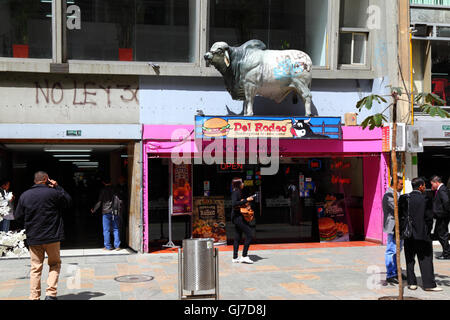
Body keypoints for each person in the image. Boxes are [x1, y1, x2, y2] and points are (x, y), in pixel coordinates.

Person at [14, 171, 72, 300]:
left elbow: (17, 216)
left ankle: (34, 296)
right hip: (52, 236)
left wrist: (28, 224)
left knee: (35, 268)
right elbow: (68, 202)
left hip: (34, 237)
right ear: (46, 179)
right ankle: (51, 294)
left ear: (35, 181)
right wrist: (57, 186)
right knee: (55, 264)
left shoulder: (25, 195)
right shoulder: (54, 193)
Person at [399, 177, 442, 291]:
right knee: (426, 259)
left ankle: (411, 283)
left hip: (408, 234)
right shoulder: (426, 199)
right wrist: (427, 231)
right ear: (421, 186)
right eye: (424, 185)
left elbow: (400, 216)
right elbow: (429, 218)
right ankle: (428, 284)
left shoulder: (404, 198)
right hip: (422, 235)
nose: (424, 187)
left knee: (410, 259)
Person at [382, 175, 404, 284]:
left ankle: (396, 271)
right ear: (395, 183)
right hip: (392, 226)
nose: (402, 186)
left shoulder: (397, 194)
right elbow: (397, 208)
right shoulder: (389, 195)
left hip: (399, 226)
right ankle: (390, 274)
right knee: (391, 250)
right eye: (401, 184)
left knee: (398, 250)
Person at [91, 177, 122, 251]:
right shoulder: (115, 189)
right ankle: (117, 246)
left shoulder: (103, 190)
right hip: (115, 211)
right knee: (116, 228)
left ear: (103, 183)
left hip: (106, 212)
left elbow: (99, 202)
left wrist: (94, 209)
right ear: (110, 182)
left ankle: (108, 246)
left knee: (106, 230)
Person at [231, 178, 255, 264]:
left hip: (237, 217)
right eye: (242, 183)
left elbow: (239, 203)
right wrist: (246, 200)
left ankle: (235, 257)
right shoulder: (236, 192)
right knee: (249, 234)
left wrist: (246, 201)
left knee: (237, 237)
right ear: (238, 184)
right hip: (238, 218)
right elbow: (234, 203)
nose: (243, 184)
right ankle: (244, 256)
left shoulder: (237, 191)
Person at [430, 175, 450, 260]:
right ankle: (447, 251)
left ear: (436, 182)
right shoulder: (441, 189)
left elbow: (446, 202)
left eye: (432, 184)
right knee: (439, 234)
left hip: (442, 216)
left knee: (442, 234)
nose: (431, 186)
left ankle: (447, 254)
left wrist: (445, 213)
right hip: (441, 216)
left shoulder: (442, 190)